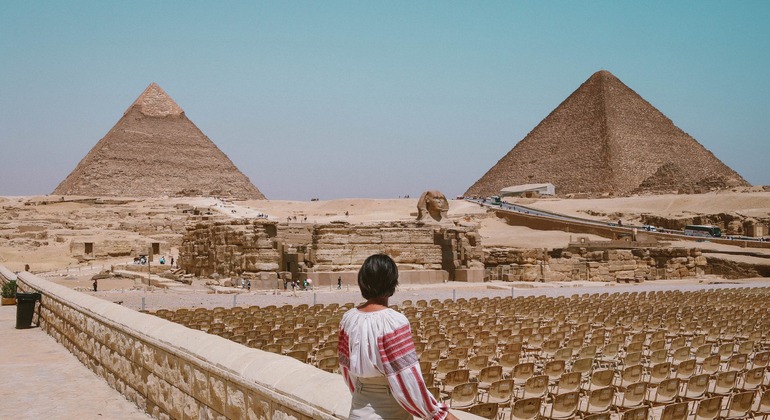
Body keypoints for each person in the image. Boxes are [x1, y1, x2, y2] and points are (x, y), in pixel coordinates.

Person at [338, 254, 455, 420]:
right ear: (392, 282)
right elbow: (407, 379)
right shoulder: (393, 322)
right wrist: (439, 414)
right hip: (391, 412)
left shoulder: (348, 319)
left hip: (358, 409)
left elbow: (346, 370)